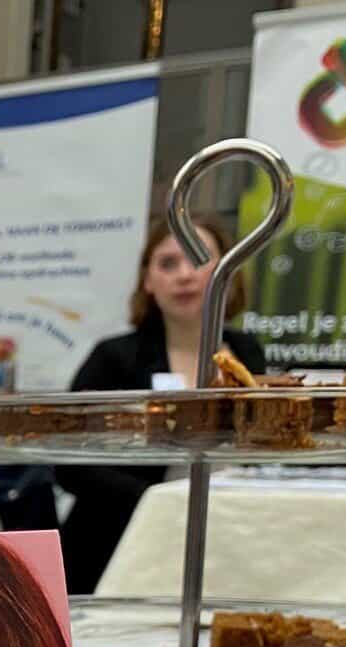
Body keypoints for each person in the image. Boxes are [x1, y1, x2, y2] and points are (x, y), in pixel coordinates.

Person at [54, 221, 267, 596]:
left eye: (198, 259)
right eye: (168, 263)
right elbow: (70, 464)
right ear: (148, 281)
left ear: (228, 272)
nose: (184, 275)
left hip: (226, 536)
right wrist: (162, 501)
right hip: (119, 545)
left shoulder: (247, 351)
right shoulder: (114, 357)